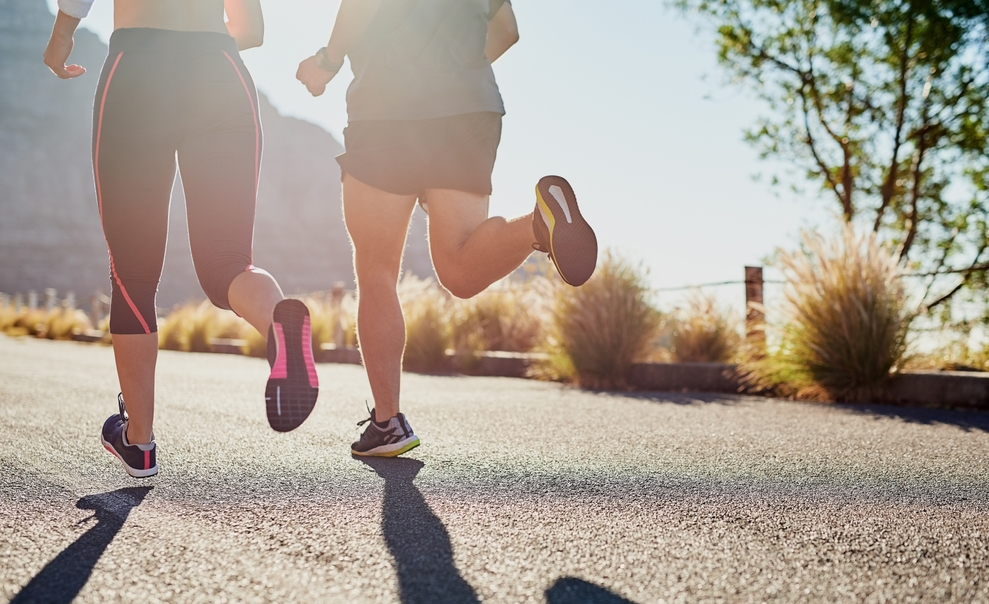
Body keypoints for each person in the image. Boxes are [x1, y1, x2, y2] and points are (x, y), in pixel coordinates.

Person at [296, 0, 598, 458]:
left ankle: (387, 423)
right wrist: (454, 79)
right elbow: (506, 30)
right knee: (459, 269)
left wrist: (327, 62)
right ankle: (536, 227)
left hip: (387, 111)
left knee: (377, 271)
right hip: (469, 110)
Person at [43, 0, 319, 478]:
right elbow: (251, 29)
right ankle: (278, 324)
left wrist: (63, 34)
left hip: (138, 70)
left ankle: (140, 443)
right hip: (220, 71)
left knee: (133, 276)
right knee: (227, 264)